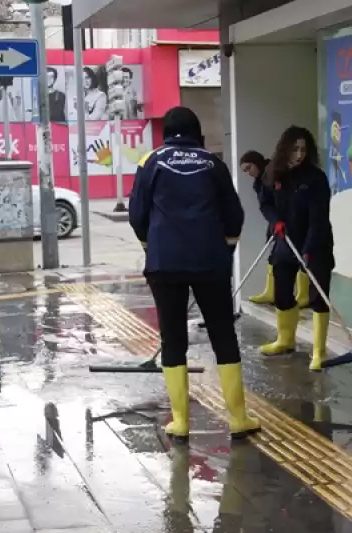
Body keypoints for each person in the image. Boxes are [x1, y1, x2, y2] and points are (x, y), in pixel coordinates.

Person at [129, 106, 260, 443]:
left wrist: (152, 245)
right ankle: (238, 418)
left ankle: (181, 421)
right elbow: (234, 214)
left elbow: (137, 214)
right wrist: (225, 249)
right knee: (222, 335)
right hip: (210, 262)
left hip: (165, 263)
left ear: (165, 133)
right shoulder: (213, 163)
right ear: (197, 133)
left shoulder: (150, 162)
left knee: (173, 340)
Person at [258, 126, 334, 371]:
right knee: (282, 292)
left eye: (303, 149)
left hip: (316, 243)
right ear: (285, 149)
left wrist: (308, 251)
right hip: (285, 240)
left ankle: (319, 352)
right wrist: (275, 221)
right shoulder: (273, 174)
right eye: (295, 149)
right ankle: (285, 340)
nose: (299, 155)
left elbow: (318, 219)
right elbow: (265, 203)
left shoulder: (315, 178)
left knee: (317, 297)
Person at [245, 149, 312, 308]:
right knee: (276, 255)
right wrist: (275, 222)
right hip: (278, 222)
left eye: (249, 167)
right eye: (245, 170)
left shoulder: (276, 172)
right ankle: (271, 291)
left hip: (298, 222)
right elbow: (265, 205)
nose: (248, 172)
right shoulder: (259, 181)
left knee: (301, 255)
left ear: (256, 162)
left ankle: (303, 295)